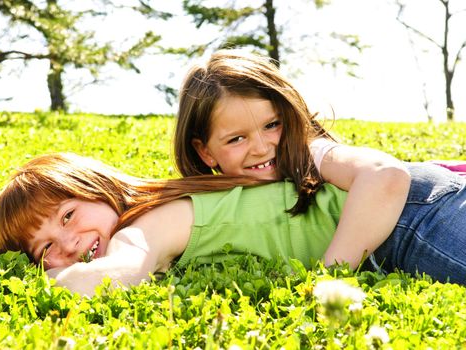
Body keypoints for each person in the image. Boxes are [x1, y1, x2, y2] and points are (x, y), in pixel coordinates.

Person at [0, 153, 466, 297]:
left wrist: (55, 283)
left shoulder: (144, 226)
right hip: (410, 203)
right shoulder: (179, 199)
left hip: (403, 221)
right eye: (43, 249)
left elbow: (126, 266)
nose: (67, 244)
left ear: (99, 187)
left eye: (67, 216)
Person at [173, 49, 465, 269]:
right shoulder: (226, 203)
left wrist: (330, 276)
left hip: (427, 212)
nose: (261, 147)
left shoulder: (310, 151)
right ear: (205, 151)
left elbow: (385, 176)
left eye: (272, 125)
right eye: (237, 138)